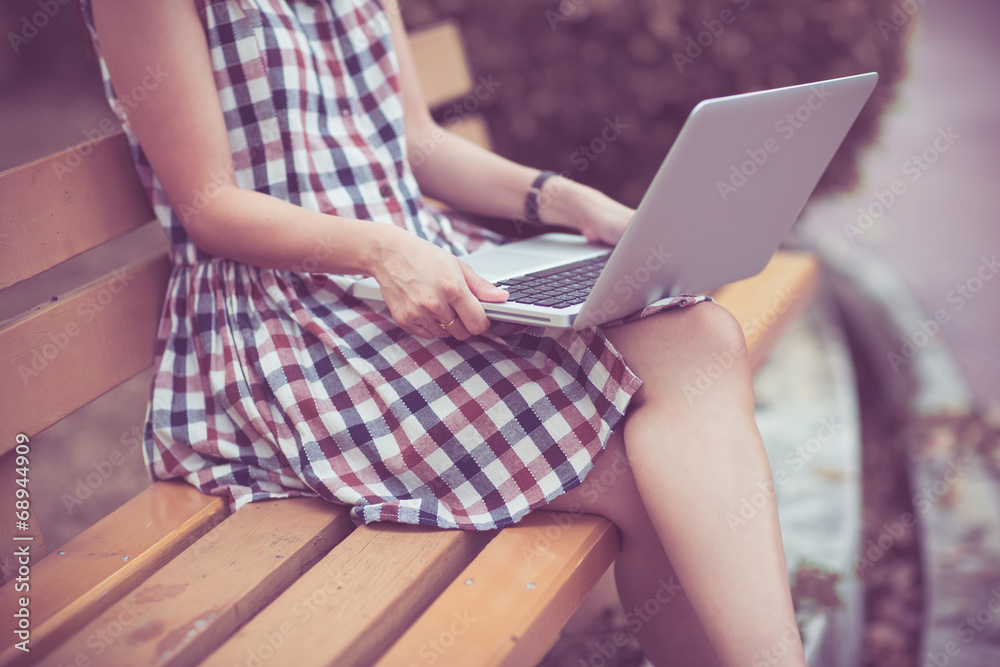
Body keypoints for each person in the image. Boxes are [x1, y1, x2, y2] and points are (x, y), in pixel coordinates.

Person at [82, 0, 807, 664]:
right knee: (637, 471)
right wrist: (380, 249)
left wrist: (567, 200)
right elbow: (209, 209)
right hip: (292, 319)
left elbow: (418, 144)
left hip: (427, 269)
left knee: (701, 334)